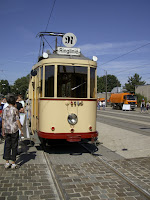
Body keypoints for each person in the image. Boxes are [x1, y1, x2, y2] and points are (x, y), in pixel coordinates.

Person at [2, 94, 24, 169]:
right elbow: (17, 121)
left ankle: (7, 162)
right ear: (14, 101)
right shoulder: (15, 110)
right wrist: (21, 130)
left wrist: (3, 130)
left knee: (7, 146)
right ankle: (13, 162)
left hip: (7, 130)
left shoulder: (4, 110)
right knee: (14, 146)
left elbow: (3, 121)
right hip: (14, 130)